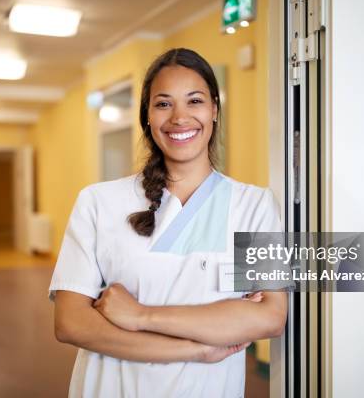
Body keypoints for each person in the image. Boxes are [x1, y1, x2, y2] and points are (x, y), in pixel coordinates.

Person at [50, 48, 289, 398]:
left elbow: (270, 317)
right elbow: (70, 323)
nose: (179, 117)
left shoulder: (253, 205)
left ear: (214, 110)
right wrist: (196, 347)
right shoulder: (98, 202)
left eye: (194, 101)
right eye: (163, 104)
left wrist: (140, 316)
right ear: (147, 116)